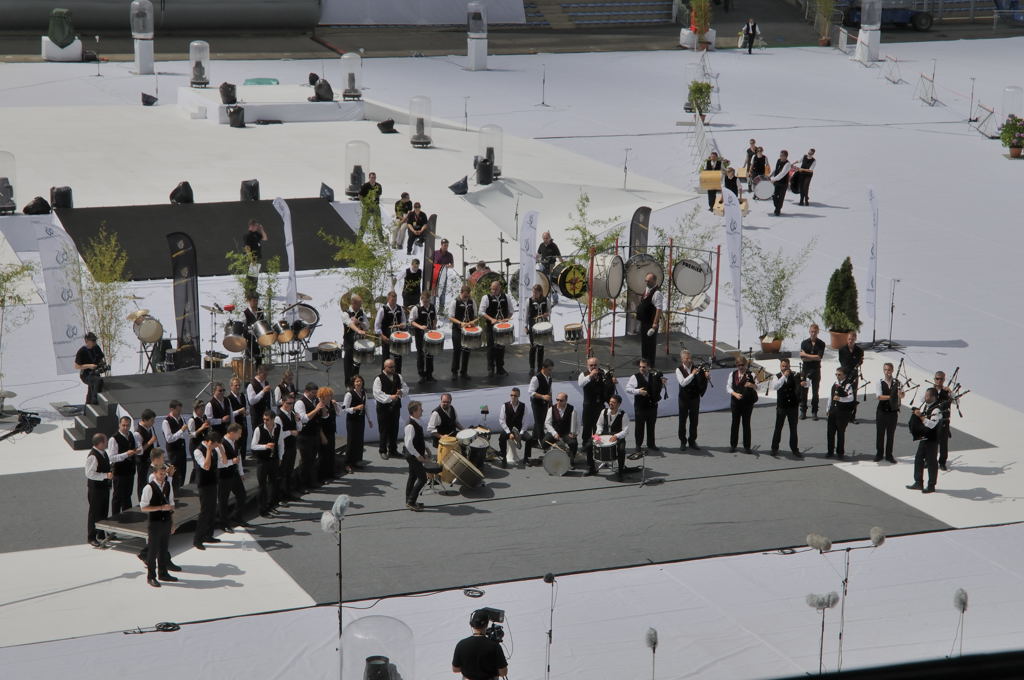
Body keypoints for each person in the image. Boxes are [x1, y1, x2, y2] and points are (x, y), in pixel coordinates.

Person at [140, 462, 177, 587]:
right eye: (160, 474)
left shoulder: (168, 485)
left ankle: (163, 573)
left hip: (166, 521)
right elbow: (143, 507)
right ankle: (151, 576)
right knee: (153, 551)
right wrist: (160, 508)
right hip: (155, 523)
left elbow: (171, 504)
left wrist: (172, 522)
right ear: (154, 473)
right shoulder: (149, 488)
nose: (163, 476)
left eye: (164, 474)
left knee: (163, 549)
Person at [578, 357, 617, 460]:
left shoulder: (603, 373)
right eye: (591, 365)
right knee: (587, 426)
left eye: (595, 365)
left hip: (599, 405)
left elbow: (608, 385)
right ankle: (586, 445)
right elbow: (580, 384)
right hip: (588, 405)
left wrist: (612, 381)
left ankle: (597, 444)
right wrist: (590, 376)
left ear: (598, 365)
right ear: (587, 365)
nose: (593, 367)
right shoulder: (584, 374)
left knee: (598, 426)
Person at [452, 610, 508, 680]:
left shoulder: (461, 644)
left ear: (472, 624)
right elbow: (503, 672)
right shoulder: (495, 646)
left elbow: (455, 669)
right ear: (487, 625)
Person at [907, 388, 943, 493]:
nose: (925, 397)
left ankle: (931, 485)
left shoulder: (936, 410)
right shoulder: (928, 406)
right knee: (918, 458)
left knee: (931, 462)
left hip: (932, 440)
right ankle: (918, 482)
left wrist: (921, 416)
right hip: (924, 438)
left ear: (933, 397)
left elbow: (932, 425)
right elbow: (921, 399)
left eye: (927, 396)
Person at [770, 359, 807, 458]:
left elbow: (806, 383)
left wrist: (804, 383)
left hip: (793, 406)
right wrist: (784, 376)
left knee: (793, 428)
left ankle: (794, 449)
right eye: (783, 366)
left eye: (786, 366)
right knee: (778, 427)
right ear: (780, 367)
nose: (785, 368)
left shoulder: (795, 375)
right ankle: (774, 448)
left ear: (789, 366)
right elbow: (775, 387)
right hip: (782, 406)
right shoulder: (777, 376)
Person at [373, 359, 409, 459]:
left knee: (394, 429)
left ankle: (393, 450)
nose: (393, 369)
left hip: (395, 407)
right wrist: (390, 397)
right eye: (390, 367)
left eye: (394, 366)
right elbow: (377, 394)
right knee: (384, 430)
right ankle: (383, 450)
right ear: (385, 367)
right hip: (383, 409)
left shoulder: (398, 376)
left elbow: (405, 388)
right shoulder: (379, 379)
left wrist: (401, 392)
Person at [192, 431, 222, 550]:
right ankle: (197, 539)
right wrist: (209, 450)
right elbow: (206, 466)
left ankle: (208, 535)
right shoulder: (198, 451)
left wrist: (216, 449)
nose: (216, 447)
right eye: (215, 444)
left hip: (212, 482)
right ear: (210, 442)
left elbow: (220, 462)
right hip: (204, 484)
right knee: (205, 511)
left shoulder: (214, 449)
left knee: (213, 509)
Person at [627, 358, 664, 454]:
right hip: (640, 406)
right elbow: (628, 388)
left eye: (643, 367)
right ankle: (638, 445)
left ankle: (651, 444)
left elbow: (657, 389)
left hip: (652, 406)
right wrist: (638, 391)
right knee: (639, 427)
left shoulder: (653, 376)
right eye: (640, 367)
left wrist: (662, 384)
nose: (641, 368)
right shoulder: (634, 377)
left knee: (651, 426)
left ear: (649, 367)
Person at [85, 433, 115, 546]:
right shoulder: (93, 456)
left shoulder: (103, 453)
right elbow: (89, 474)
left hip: (103, 488)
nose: (107, 442)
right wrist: (105, 475)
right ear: (100, 443)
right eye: (105, 441)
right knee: (94, 513)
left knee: (103, 511)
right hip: (95, 489)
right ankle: (91, 537)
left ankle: (101, 533)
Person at [596, 394, 635, 481]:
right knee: (588, 444)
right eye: (610, 402)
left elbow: (625, 431)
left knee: (621, 450)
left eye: (613, 402)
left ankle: (620, 472)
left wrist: (616, 436)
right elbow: (599, 424)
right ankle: (591, 468)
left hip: (618, 436)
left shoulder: (623, 415)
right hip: (605, 434)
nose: (610, 404)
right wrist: (598, 433)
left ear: (618, 404)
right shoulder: (604, 412)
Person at [480, 280, 515, 376]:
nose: (493, 291)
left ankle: (500, 368)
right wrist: (491, 319)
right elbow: (481, 312)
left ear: (500, 288)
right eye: (492, 289)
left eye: (495, 289)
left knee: (501, 347)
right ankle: (491, 368)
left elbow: (511, 310)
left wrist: (506, 319)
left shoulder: (506, 297)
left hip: (502, 326)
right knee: (491, 347)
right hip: (491, 326)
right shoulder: (486, 297)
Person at [675, 350, 708, 450]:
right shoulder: (678, 370)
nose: (689, 360)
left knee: (694, 421)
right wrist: (692, 374)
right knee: (682, 421)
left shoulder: (696, 368)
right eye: (687, 358)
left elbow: (701, 381)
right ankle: (683, 441)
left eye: (690, 358)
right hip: (683, 399)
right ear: (682, 359)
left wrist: (706, 377)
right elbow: (683, 383)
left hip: (694, 398)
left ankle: (692, 441)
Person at [251, 410, 280, 517]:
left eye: (267, 420)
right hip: (262, 461)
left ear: (273, 419)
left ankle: (271, 505)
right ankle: (262, 510)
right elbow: (253, 446)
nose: (265, 421)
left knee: (273, 483)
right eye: (264, 419)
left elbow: (280, 443)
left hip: (273, 459)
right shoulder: (259, 429)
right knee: (262, 486)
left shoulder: (278, 427)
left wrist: (280, 457)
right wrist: (265, 446)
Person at [108, 415, 141, 513]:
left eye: (128, 425)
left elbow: (137, 447)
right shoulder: (114, 439)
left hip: (130, 471)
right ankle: (116, 516)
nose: (126, 428)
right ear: (119, 425)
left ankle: (127, 515)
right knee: (118, 496)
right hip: (119, 472)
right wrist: (126, 454)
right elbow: (112, 457)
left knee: (127, 495)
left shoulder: (131, 435)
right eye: (123, 425)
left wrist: (137, 450)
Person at [218, 424, 247, 531]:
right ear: (232, 433)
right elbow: (219, 463)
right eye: (239, 433)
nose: (240, 436)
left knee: (242, 495)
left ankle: (237, 517)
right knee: (223, 500)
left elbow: (238, 457)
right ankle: (224, 524)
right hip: (224, 476)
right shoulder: (221, 444)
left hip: (234, 474)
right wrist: (232, 462)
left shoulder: (235, 442)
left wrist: (241, 472)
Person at [295, 382, 323, 490]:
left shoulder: (314, 401)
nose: (315, 395)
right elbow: (303, 419)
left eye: (316, 393)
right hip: (304, 436)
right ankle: (302, 485)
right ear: (306, 391)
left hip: (314, 434)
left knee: (312, 459)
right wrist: (316, 409)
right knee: (305, 461)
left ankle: (312, 481)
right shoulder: (300, 403)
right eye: (313, 393)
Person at [727, 357, 758, 453]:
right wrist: (735, 394)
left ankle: (747, 446)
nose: (740, 367)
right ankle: (733, 445)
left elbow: (758, 386)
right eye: (739, 365)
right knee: (735, 424)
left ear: (745, 365)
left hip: (747, 403)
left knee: (746, 424)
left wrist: (752, 385)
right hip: (735, 403)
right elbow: (728, 387)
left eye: (742, 365)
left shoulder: (751, 374)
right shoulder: (732, 374)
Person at [527, 359, 555, 467]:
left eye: (551, 370)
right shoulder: (536, 378)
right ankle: (544, 444)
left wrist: (550, 402)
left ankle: (534, 440)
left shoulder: (549, 377)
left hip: (545, 402)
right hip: (537, 403)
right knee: (540, 423)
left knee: (539, 421)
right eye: (549, 370)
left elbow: (549, 390)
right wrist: (543, 396)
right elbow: (531, 392)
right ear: (543, 368)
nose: (550, 372)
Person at [342, 375, 371, 474]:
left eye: (360, 381)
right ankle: (347, 463)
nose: (359, 383)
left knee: (359, 441)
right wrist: (355, 408)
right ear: (353, 383)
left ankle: (356, 461)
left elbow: (366, 407)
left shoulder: (364, 393)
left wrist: (369, 419)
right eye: (357, 381)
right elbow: (344, 409)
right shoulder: (349, 394)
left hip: (361, 420)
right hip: (352, 421)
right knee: (351, 441)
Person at [875, 362, 904, 463]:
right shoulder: (879, 382)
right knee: (880, 433)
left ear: (892, 370)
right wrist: (892, 397)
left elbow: (902, 395)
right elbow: (879, 396)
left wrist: (900, 394)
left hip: (893, 412)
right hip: (881, 411)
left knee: (891, 434)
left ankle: (889, 455)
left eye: (889, 370)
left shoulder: (898, 382)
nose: (887, 372)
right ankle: (879, 454)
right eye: (885, 369)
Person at [403, 401, 428, 512]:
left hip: (413, 455)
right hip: (412, 456)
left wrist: (426, 448)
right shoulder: (410, 426)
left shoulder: (416, 422)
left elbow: (418, 439)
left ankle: (409, 500)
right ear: (414, 411)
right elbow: (408, 444)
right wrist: (418, 456)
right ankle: (411, 502)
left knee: (412, 477)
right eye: (420, 409)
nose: (422, 410)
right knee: (423, 479)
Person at [275, 394, 300, 502]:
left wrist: (298, 420)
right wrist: (290, 432)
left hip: (292, 446)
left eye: (292, 403)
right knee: (282, 472)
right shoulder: (278, 417)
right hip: (283, 448)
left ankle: (288, 493)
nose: (291, 406)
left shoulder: (292, 414)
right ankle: (281, 497)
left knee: (290, 471)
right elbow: (278, 435)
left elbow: (299, 429)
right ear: (283, 403)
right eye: (288, 403)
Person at [637, 273, 665, 369]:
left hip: (650, 323)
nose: (646, 282)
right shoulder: (647, 290)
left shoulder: (657, 293)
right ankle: (644, 364)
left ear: (654, 281)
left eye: (648, 281)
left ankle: (651, 365)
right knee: (644, 344)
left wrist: (655, 324)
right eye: (646, 280)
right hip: (644, 322)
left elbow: (659, 309)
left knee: (650, 344)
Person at [826, 368, 856, 459]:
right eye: (836, 374)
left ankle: (840, 452)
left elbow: (851, 398)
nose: (837, 376)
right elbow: (830, 397)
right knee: (830, 432)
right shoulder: (834, 384)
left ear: (844, 375)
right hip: (833, 411)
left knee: (840, 433)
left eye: (839, 374)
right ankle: (830, 451)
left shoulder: (848, 385)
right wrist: (828, 408)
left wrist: (840, 399)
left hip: (842, 412)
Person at [375, 290, 407, 375]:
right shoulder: (382, 309)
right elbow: (377, 326)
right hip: (386, 337)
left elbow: (404, 322)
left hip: (398, 337)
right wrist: (382, 336)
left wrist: (401, 325)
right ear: (388, 299)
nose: (394, 302)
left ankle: (398, 377)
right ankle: (384, 377)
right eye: (392, 300)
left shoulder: (400, 308)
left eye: (395, 300)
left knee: (398, 357)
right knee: (386, 358)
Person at [342, 294, 370, 387]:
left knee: (357, 363)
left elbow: (367, 326)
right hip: (349, 342)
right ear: (353, 303)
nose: (360, 306)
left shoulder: (361, 313)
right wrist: (358, 330)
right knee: (348, 364)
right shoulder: (346, 313)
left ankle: (356, 384)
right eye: (359, 304)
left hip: (358, 342)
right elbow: (350, 324)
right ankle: (348, 385)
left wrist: (359, 322)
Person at [498, 387, 531, 468]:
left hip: (519, 430)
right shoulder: (504, 405)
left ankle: (526, 458)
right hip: (508, 430)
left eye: (515, 395)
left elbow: (526, 421)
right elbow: (501, 420)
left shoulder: (524, 406)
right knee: (501, 438)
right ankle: (504, 458)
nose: (513, 397)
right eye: (511, 395)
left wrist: (520, 434)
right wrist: (509, 433)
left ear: (518, 396)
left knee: (529, 439)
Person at [448, 284, 476, 378]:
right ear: (461, 293)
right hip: (457, 329)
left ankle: (464, 372)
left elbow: (475, 315)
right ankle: (454, 372)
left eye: (467, 296)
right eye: (464, 296)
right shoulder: (455, 302)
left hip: (468, 330)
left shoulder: (472, 301)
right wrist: (460, 323)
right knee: (457, 350)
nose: (466, 298)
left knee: (467, 350)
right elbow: (451, 317)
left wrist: (473, 322)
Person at [799, 324, 826, 420]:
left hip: (816, 371)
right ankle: (803, 411)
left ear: (818, 332)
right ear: (809, 331)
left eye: (815, 332)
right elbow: (803, 358)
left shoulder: (821, 343)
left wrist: (807, 355)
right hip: (806, 371)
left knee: (815, 393)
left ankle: (814, 412)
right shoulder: (804, 343)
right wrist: (814, 357)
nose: (813, 333)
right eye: (812, 331)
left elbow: (819, 357)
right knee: (804, 392)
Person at [410, 289, 437, 383]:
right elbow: (411, 321)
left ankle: (429, 374)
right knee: (421, 354)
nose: (426, 303)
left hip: (430, 334)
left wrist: (434, 326)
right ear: (422, 299)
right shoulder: (416, 308)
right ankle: (421, 375)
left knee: (430, 353)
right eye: (425, 301)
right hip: (420, 334)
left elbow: (434, 318)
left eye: (428, 301)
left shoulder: (432, 306)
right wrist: (420, 326)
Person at [162, 400, 189, 490]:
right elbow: (169, 439)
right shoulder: (166, 421)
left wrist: (185, 431)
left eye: (180, 410)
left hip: (181, 448)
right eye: (177, 410)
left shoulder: (181, 419)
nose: (179, 412)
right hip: (173, 451)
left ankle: (181, 488)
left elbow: (184, 434)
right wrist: (181, 430)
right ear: (172, 409)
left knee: (183, 470)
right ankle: (174, 490)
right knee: (175, 472)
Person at [838, 331, 864, 422]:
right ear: (847, 339)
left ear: (855, 339)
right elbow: (843, 363)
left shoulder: (859, 351)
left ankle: (852, 416)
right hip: (845, 376)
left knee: (853, 395)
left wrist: (855, 364)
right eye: (849, 339)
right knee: (843, 394)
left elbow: (860, 362)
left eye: (852, 339)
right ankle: (843, 415)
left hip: (854, 376)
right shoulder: (842, 350)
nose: (850, 341)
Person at [544, 392, 578, 461]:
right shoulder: (551, 409)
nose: (558, 402)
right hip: (555, 431)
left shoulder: (572, 409)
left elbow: (577, 423)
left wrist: (575, 433)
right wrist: (554, 433)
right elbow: (547, 423)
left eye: (561, 400)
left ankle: (571, 459)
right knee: (544, 443)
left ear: (566, 401)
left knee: (573, 443)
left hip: (567, 432)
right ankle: (553, 455)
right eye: (557, 400)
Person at [74, 332, 105, 405]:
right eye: (93, 341)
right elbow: (76, 366)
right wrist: (89, 366)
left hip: (95, 373)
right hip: (85, 375)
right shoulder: (82, 351)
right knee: (97, 381)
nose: (94, 342)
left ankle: (88, 404)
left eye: (95, 340)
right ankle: (94, 400)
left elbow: (100, 359)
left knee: (92, 387)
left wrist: (102, 365)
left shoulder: (96, 348)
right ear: (87, 341)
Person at [316, 386, 340, 483]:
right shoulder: (320, 406)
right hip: (324, 433)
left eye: (330, 395)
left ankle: (331, 472)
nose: (329, 397)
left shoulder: (331, 404)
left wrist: (335, 405)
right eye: (327, 395)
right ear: (322, 396)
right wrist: (322, 436)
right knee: (323, 455)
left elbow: (338, 413)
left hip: (331, 432)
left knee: (331, 453)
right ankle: (322, 476)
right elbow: (318, 423)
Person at [134, 409, 159, 499]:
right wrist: (150, 442)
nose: (153, 422)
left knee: (151, 479)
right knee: (142, 481)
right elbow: (139, 451)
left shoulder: (149, 428)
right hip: (142, 461)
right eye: (151, 420)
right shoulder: (137, 433)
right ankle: (142, 500)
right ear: (144, 420)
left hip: (149, 459)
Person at [527, 283, 550, 374]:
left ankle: (540, 367)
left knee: (541, 347)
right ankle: (532, 367)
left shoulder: (546, 300)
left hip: (542, 326)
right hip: (533, 326)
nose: (534, 294)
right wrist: (525, 326)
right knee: (533, 347)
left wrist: (546, 314)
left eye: (536, 292)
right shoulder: (529, 301)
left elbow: (549, 311)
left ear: (540, 292)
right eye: (533, 292)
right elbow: (526, 315)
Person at [227, 377, 249, 458]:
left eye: (239, 385)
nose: (238, 387)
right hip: (235, 426)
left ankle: (243, 460)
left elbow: (246, 407)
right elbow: (229, 414)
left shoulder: (242, 396)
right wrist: (238, 411)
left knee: (244, 444)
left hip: (243, 424)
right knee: (236, 446)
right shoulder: (228, 398)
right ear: (231, 386)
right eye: (236, 385)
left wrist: (246, 412)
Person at [358, 171, 383, 239]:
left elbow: (379, 195)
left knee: (378, 223)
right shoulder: (365, 186)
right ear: (369, 178)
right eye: (372, 177)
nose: (373, 179)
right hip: (367, 207)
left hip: (375, 207)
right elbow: (360, 195)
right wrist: (365, 203)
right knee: (363, 223)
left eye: (374, 177)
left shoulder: (378, 186)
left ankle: (381, 239)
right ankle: (359, 238)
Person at [243, 293, 265, 367]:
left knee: (259, 359)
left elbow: (263, 324)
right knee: (251, 360)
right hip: (249, 340)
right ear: (249, 301)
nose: (256, 302)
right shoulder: (245, 313)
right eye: (254, 301)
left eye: (257, 301)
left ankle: (258, 370)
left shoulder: (260, 311)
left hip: (259, 339)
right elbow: (244, 327)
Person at [769, 150, 791, 217]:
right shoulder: (778, 160)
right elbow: (776, 169)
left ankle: (778, 210)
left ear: (786, 156)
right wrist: (770, 175)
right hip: (776, 182)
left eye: (782, 155)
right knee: (774, 196)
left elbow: (782, 174)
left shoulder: (787, 164)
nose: (780, 156)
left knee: (781, 198)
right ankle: (777, 207)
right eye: (780, 155)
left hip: (783, 184)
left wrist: (773, 179)